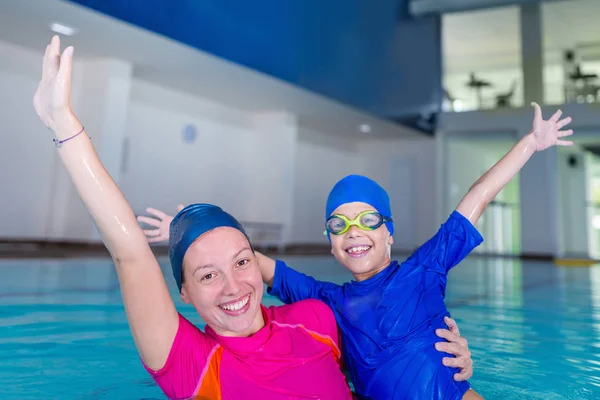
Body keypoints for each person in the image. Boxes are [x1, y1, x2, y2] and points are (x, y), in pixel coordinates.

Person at [34, 36, 473, 400]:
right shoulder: (194, 365)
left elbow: (385, 351)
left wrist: (449, 363)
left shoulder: (317, 320)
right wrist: (62, 124)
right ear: (184, 293)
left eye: (242, 262)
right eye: (207, 276)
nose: (233, 287)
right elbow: (129, 253)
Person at [140, 102, 573, 400]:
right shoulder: (328, 304)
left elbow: (474, 201)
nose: (354, 232)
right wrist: (194, 232)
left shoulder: (424, 270)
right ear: (331, 243)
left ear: (389, 232)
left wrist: (529, 145)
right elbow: (260, 267)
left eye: (368, 221)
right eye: (339, 225)